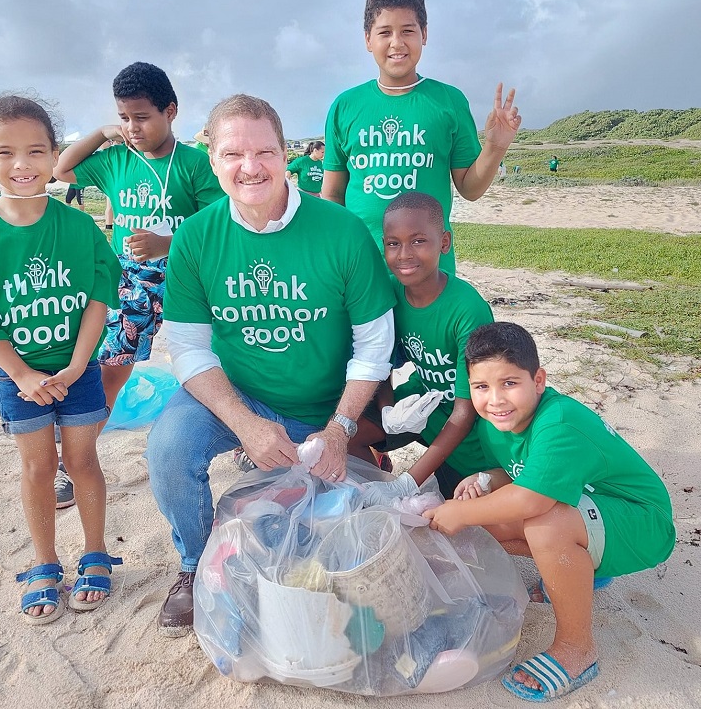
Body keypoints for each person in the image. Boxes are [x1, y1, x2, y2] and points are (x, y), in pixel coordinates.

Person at [145, 94, 396, 636]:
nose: (250, 167)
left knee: (323, 541)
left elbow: (375, 342)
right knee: (168, 446)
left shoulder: (342, 230)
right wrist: (245, 425)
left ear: (287, 156)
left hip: (323, 407)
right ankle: (193, 563)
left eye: (264, 152)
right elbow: (188, 347)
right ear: (211, 159)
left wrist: (340, 428)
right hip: (241, 396)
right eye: (233, 153)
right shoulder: (194, 236)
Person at [424, 322, 675, 701]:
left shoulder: (558, 421)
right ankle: (582, 571)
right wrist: (487, 479)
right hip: (593, 507)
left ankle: (577, 648)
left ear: (538, 380)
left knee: (545, 525)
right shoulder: (498, 423)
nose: (495, 399)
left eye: (509, 383)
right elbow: (519, 472)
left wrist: (457, 514)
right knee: (486, 521)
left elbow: (532, 499)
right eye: (481, 387)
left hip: (642, 523)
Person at [0, 94, 124, 624]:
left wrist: (77, 366)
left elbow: (99, 295)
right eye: (6, 153)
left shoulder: (77, 227)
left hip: (78, 368)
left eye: (35, 151)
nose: (22, 165)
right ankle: (45, 562)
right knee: (37, 467)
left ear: (55, 157)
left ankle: (95, 554)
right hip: (15, 374)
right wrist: (22, 373)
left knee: (82, 463)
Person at [53, 62, 224, 421]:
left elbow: (219, 229)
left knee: (215, 357)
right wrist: (102, 133)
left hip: (186, 276)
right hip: (129, 280)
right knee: (113, 364)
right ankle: (77, 450)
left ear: (171, 111)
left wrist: (168, 244)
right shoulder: (115, 159)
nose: (133, 127)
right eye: (124, 117)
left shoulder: (195, 164)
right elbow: (61, 169)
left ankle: (237, 434)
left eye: (142, 116)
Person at [322, 0, 522, 273]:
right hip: (360, 272)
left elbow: (469, 188)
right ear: (367, 39)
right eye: (384, 32)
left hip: (430, 275)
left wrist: (495, 146)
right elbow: (333, 196)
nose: (397, 43)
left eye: (407, 31)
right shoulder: (344, 106)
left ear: (424, 34)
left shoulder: (448, 102)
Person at [350, 192, 494, 500]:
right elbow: (380, 361)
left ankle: (404, 486)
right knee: (347, 433)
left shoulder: (467, 310)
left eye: (418, 241)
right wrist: (388, 409)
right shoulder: (389, 293)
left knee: (459, 506)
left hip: (467, 428)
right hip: (422, 401)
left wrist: (409, 482)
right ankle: (375, 481)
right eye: (393, 243)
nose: (404, 254)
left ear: (444, 243)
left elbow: (465, 411)